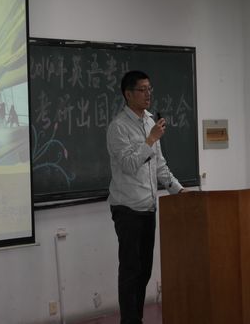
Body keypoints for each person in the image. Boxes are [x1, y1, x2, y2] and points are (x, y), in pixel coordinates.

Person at [106, 70, 185, 324]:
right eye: (142, 90)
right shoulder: (118, 127)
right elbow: (129, 165)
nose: (148, 94)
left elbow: (159, 165)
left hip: (149, 207)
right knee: (131, 271)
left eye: (149, 89)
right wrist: (150, 140)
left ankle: (135, 318)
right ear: (128, 94)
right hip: (127, 209)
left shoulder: (151, 122)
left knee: (144, 271)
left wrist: (178, 190)